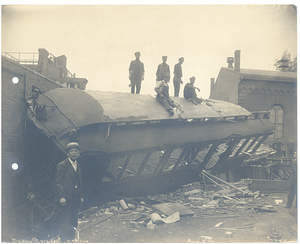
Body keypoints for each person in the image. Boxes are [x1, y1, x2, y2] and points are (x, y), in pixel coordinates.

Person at [55, 142, 84, 242]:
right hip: (66, 198)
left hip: (75, 197)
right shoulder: (62, 165)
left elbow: (79, 182)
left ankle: (71, 239)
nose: (74, 153)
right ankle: (63, 240)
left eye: (76, 151)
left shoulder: (78, 166)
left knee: (74, 219)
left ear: (79, 153)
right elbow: (58, 182)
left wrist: (81, 196)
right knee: (65, 219)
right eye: (71, 151)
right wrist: (62, 196)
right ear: (67, 154)